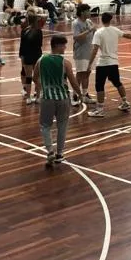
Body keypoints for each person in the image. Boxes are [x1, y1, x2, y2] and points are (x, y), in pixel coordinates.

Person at [88, 12, 131, 116]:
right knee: (117, 83)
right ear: (111, 20)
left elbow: (94, 49)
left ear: (101, 19)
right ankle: (125, 102)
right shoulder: (115, 30)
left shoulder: (98, 32)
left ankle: (100, 110)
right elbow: (127, 35)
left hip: (102, 63)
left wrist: (89, 64)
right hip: (114, 63)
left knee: (99, 86)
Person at [35, 35, 81, 167]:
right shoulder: (65, 63)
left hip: (47, 98)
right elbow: (73, 81)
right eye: (64, 45)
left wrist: (41, 88)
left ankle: (50, 151)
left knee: (45, 125)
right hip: (62, 98)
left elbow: (34, 78)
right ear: (57, 46)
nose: (65, 48)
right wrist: (80, 94)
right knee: (62, 126)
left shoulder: (41, 60)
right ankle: (59, 154)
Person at [71, 4, 96, 105]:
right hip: (81, 52)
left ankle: (85, 95)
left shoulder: (89, 22)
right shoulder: (76, 23)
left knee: (87, 73)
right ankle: (75, 96)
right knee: (80, 74)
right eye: (88, 11)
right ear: (82, 12)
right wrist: (89, 30)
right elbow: (76, 37)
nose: (90, 13)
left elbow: (94, 33)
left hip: (89, 51)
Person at [19, 9, 45, 104]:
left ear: (28, 20)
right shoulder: (39, 31)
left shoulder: (24, 31)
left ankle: (28, 98)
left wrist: (21, 56)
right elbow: (40, 44)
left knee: (28, 77)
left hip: (27, 55)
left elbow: (22, 46)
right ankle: (38, 97)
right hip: (37, 55)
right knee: (37, 77)